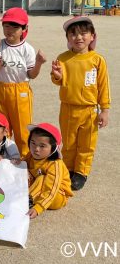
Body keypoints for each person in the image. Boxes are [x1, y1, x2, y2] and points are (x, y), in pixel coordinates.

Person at [51, 16, 110, 191]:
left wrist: (104, 110)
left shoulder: (97, 60)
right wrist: (57, 76)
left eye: (84, 33)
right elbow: (57, 80)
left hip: (90, 110)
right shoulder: (63, 58)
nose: (79, 37)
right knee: (68, 142)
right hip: (68, 108)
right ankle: (68, 169)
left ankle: (81, 172)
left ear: (92, 36)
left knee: (87, 143)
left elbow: (103, 86)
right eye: (73, 34)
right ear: (68, 38)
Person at [0, 8, 46, 156]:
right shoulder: (0, 45)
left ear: (24, 29)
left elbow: (31, 74)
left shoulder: (27, 49)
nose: (10, 30)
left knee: (22, 129)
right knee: (2, 126)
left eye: (15, 27)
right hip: (2, 89)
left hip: (21, 91)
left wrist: (39, 63)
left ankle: (24, 159)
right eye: (7, 26)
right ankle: (3, 158)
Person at [24, 123, 73, 219]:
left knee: (42, 178)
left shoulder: (55, 164)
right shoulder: (31, 155)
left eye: (42, 146)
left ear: (53, 148)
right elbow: (23, 164)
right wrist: (17, 163)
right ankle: (26, 197)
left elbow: (51, 189)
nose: (36, 149)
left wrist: (38, 208)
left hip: (56, 196)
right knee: (24, 170)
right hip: (40, 190)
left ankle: (27, 201)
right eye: (33, 143)